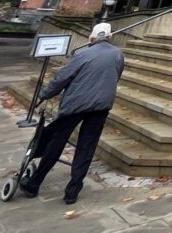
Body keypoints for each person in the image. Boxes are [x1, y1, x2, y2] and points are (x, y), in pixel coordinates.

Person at [20, 22, 124, 204]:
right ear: (109, 37)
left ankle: (35, 182)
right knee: (87, 146)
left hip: (76, 104)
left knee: (56, 142)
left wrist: (45, 95)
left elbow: (62, 77)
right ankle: (73, 190)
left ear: (92, 37)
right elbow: (117, 74)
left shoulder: (83, 54)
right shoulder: (117, 54)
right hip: (101, 105)